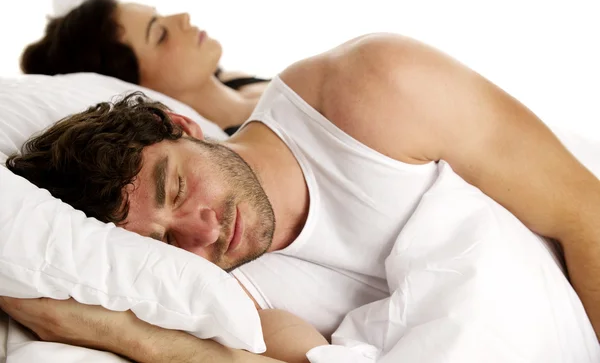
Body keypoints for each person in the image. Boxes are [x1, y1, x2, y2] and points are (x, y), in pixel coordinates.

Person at [3, 33, 600, 362]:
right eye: (163, 239)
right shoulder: (223, 294)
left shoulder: (371, 88)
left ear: (181, 125)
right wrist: (126, 335)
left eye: (177, 187)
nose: (203, 232)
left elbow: (586, 214)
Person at [20, 0, 268, 135]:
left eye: (160, 15)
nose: (183, 18)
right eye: (160, 34)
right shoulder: (252, 136)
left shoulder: (236, 81)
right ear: (135, 85)